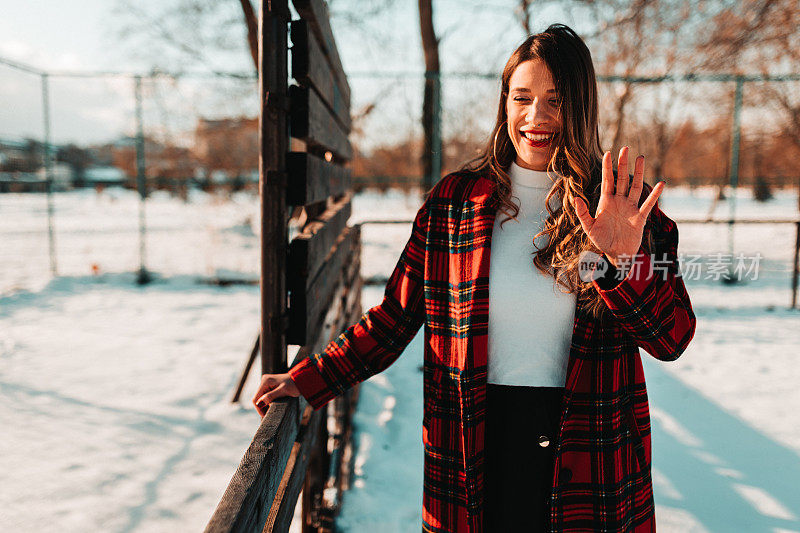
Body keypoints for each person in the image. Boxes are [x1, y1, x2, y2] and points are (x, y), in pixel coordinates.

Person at [252, 23, 696, 533]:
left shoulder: (626, 211)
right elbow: (393, 318)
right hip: (471, 444)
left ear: (582, 106)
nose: (536, 117)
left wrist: (620, 265)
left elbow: (673, 338)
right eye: (522, 97)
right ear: (504, 102)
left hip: (589, 450)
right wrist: (308, 380)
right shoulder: (455, 204)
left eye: (556, 100)